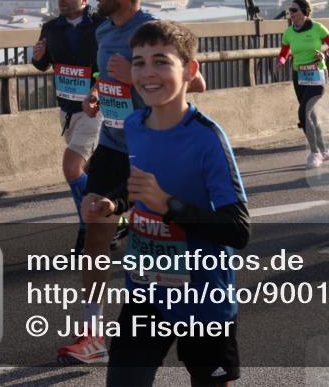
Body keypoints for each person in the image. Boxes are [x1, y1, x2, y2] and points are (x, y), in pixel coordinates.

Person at [84, 20, 249, 386]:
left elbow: (237, 229)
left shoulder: (208, 138)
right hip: (146, 291)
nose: (147, 73)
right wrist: (113, 204)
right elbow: (140, 187)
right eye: (139, 62)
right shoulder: (135, 125)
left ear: (190, 71)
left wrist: (168, 205)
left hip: (203, 299)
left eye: (161, 61)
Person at [58, 0, 206, 365]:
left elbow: (196, 81)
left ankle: (186, 321)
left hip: (154, 148)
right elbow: (106, 77)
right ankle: (93, 334)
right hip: (112, 144)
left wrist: (134, 77)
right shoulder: (104, 29)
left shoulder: (154, 31)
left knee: (164, 244)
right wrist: (98, 93)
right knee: (95, 227)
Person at [31, 0, 104, 253]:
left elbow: (105, 67)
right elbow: (43, 64)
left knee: (71, 167)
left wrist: (96, 90)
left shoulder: (101, 26)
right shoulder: (50, 28)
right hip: (68, 111)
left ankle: (89, 228)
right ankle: (113, 218)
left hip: (95, 109)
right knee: (88, 173)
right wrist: (38, 56)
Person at [276, 0, 329, 168]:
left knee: (303, 112)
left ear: (304, 12)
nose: (291, 14)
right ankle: (324, 150)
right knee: (310, 115)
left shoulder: (317, 28)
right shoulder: (289, 32)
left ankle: (315, 152)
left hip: (317, 74)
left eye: (294, 10)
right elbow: (284, 53)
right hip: (299, 76)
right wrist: (280, 62)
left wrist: (325, 54)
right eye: (290, 11)